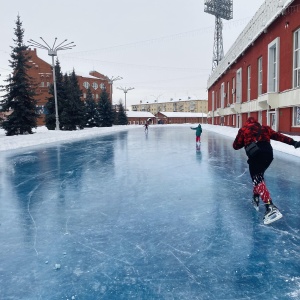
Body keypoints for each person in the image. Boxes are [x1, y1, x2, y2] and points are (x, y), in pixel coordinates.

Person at [233, 117, 300, 224]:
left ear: (247, 122)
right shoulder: (264, 128)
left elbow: (235, 146)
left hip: (255, 155)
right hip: (268, 154)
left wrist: (245, 140)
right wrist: (293, 142)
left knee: (257, 179)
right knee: (259, 178)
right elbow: (279, 136)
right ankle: (255, 197)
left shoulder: (244, 129)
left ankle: (270, 206)